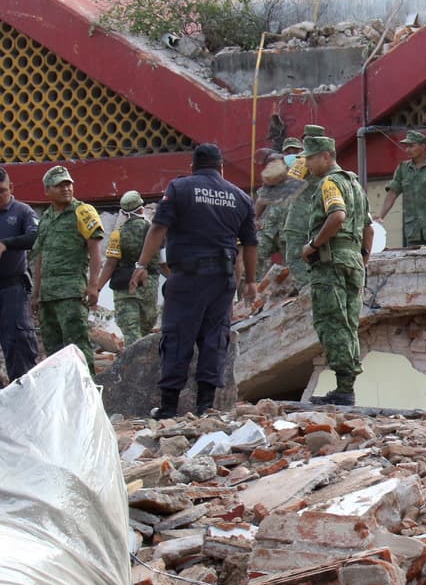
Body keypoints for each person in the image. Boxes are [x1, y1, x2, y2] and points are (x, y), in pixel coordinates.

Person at [129, 144, 257, 417]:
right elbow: (250, 243)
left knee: (177, 335)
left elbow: (158, 228)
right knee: (214, 337)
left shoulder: (180, 188)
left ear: (193, 167)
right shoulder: (240, 197)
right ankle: (205, 406)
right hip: (222, 279)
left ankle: (168, 408)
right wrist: (251, 281)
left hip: (187, 276)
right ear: (221, 168)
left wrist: (141, 264)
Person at [300, 135, 374, 407]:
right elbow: (368, 227)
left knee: (332, 322)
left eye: (310, 157)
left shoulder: (330, 182)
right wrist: (363, 258)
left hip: (331, 262)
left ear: (326, 156)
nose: (307, 163)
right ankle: (346, 387)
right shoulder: (355, 183)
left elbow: (338, 215)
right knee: (349, 323)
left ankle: (344, 388)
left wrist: (312, 245)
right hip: (353, 260)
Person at [32, 165, 104, 376]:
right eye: (59, 185)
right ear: (47, 191)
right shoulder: (45, 218)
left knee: (78, 348)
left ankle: (87, 398)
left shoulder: (83, 211)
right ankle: (63, 399)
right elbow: (40, 257)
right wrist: (36, 294)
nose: (66, 189)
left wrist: (93, 286)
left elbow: (95, 249)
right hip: (48, 297)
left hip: (71, 293)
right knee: (54, 354)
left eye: (68, 184)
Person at [97, 191, 161, 346]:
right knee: (145, 333)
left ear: (123, 212)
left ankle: (135, 365)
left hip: (125, 290)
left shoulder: (117, 234)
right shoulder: (155, 233)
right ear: (141, 209)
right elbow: (163, 262)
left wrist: (97, 288)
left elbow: (111, 263)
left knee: (132, 334)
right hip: (148, 288)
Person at [378, 130, 426, 246]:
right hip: (413, 229)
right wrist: (380, 217)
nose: (407, 150)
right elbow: (392, 193)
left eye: (411, 146)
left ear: (423, 146)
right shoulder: (403, 169)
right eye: (406, 146)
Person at [0, 167, 40, 381]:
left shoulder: (22, 211)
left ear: (11, 188)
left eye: (2, 191)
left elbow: (36, 237)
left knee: (18, 344)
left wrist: (6, 244)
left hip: (12, 290)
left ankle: (24, 396)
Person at [281, 126, 328, 287]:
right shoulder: (330, 161)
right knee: (318, 262)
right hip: (322, 221)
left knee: (296, 261)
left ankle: (309, 295)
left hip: (299, 221)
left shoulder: (302, 160)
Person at [254, 152, 303, 276]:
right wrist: (254, 219)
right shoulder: (280, 172)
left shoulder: (304, 166)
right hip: (270, 228)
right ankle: (252, 289)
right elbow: (262, 199)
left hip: (292, 230)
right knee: (256, 254)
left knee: (294, 267)